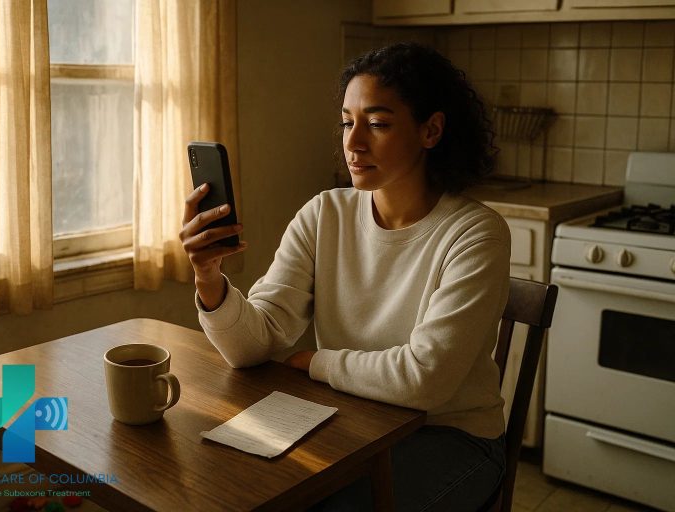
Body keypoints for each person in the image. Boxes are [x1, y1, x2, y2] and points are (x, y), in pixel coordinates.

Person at [179, 42, 510, 511]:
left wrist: (318, 362)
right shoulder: (324, 213)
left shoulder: (475, 233)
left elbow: (425, 380)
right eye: (346, 122)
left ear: (431, 130)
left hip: (452, 436)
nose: (353, 143)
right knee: (227, 483)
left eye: (376, 124)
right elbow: (255, 345)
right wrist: (208, 276)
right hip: (353, 421)